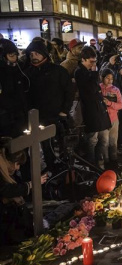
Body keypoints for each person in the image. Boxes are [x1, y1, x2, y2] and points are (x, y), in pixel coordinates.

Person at [25, 41, 73, 170]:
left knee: (60, 147)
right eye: (31, 54)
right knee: (45, 149)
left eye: (36, 53)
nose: (33, 56)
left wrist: (64, 111)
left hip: (56, 117)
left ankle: (62, 171)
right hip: (38, 119)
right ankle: (50, 171)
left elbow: (69, 91)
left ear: (43, 54)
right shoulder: (28, 73)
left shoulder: (57, 71)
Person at [0, 138, 47, 246]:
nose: (17, 168)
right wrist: (31, 184)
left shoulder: (4, 166)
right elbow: (6, 190)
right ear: (11, 161)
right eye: (17, 164)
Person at [75, 46, 111, 168]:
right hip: (91, 111)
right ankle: (92, 165)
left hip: (99, 110)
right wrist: (95, 73)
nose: (93, 64)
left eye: (95, 61)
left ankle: (99, 163)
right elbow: (89, 90)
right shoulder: (80, 72)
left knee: (103, 140)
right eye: (91, 61)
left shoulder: (90, 72)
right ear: (83, 60)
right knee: (92, 140)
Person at [0, 39, 29, 138]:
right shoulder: (3, 73)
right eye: (11, 56)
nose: (14, 59)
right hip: (5, 118)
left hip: (20, 115)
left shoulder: (20, 69)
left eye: (15, 55)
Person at [99, 69, 122, 168]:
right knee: (104, 142)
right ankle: (106, 161)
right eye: (107, 78)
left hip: (113, 118)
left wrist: (109, 103)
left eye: (111, 78)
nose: (110, 80)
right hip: (102, 119)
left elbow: (120, 105)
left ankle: (114, 160)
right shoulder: (98, 88)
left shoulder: (115, 90)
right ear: (102, 78)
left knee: (113, 141)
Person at [61, 38, 86, 127]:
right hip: (74, 99)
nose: (82, 50)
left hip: (82, 97)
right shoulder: (67, 64)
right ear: (72, 49)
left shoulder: (82, 62)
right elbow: (63, 83)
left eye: (83, 47)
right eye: (79, 48)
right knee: (75, 123)